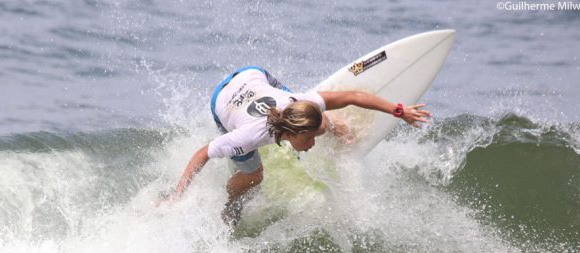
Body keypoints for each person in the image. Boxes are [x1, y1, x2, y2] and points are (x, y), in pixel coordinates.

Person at [165, 66, 431, 226]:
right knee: (254, 176)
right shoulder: (245, 137)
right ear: (292, 133)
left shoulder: (298, 102)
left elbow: (351, 96)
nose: (314, 143)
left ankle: (334, 126)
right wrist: (177, 196)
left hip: (254, 74)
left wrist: (399, 110)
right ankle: (232, 204)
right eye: (310, 139)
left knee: (324, 122)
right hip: (222, 101)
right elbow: (202, 154)